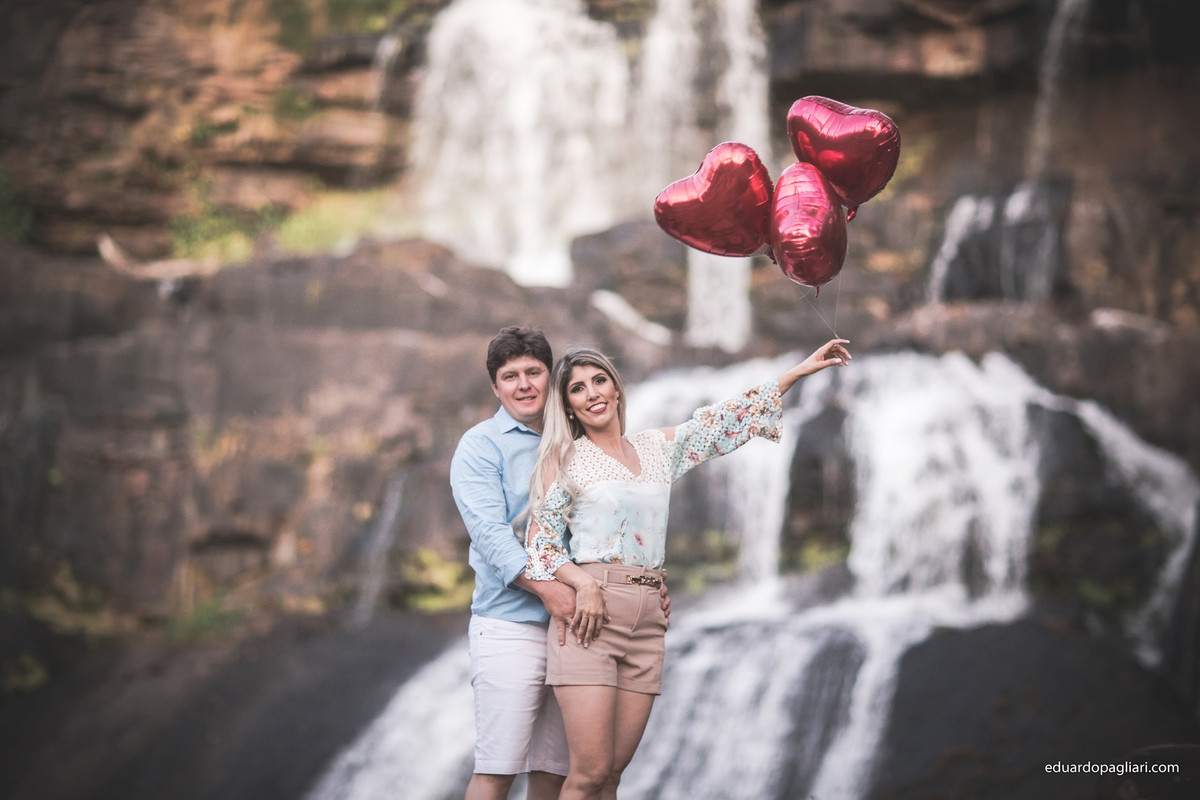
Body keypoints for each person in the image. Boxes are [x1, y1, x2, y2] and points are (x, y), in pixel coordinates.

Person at [523, 338, 852, 800]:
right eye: (578, 389)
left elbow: (720, 421)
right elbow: (539, 540)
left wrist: (798, 372)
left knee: (613, 775)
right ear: (570, 407)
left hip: (649, 620)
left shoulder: (657, 448)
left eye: (600, 380)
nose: (592, 393)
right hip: (590, 616)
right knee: (589, 773)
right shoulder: (564, 460)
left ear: (617, 389)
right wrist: (581, 581)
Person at [450, 326, 671, 800]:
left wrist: (643, 582)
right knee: (498, 767)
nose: (524, 384)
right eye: (510, 376)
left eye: (533, 372)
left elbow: (608, 523)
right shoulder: (481, 445)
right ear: (495, 387)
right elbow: (492, 536)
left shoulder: (581, 440)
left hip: (582, 628)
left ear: (551, 381)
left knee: (555, 773)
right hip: (513, 623)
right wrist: (554, 591)